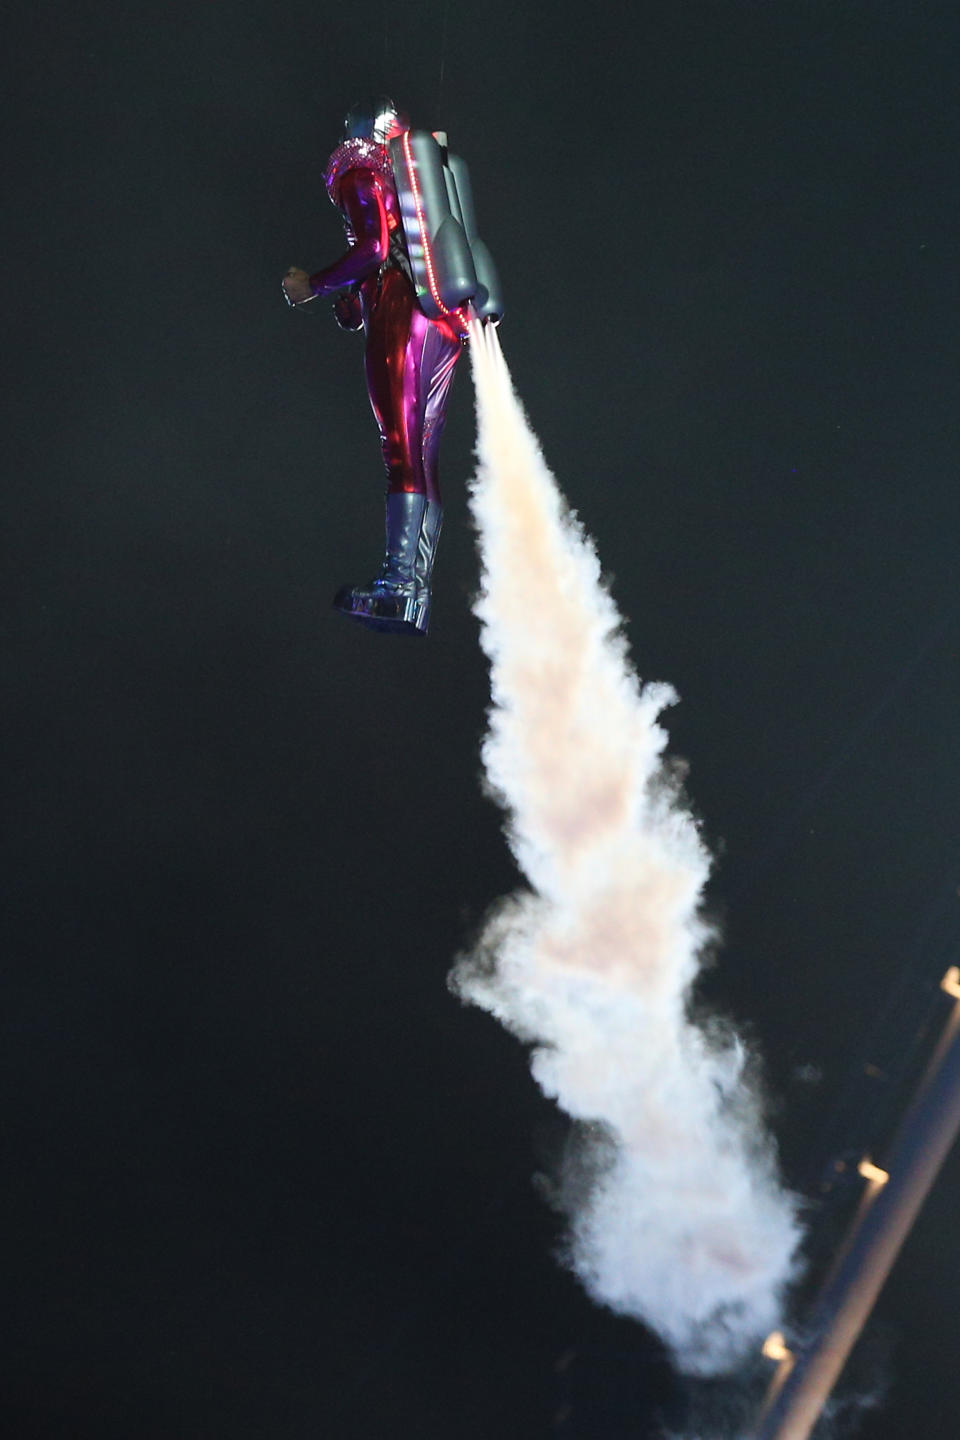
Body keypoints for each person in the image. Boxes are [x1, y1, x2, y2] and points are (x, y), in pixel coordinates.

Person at [283, 98, 466, 636]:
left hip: (401, 306)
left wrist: (312, 284)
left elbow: (372, 248)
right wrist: (350, 297)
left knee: (399, 447)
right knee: (422, 453)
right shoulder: (412, 193)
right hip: (442, 314)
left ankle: (397, 586)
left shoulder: (358, 169)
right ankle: (416, 587)